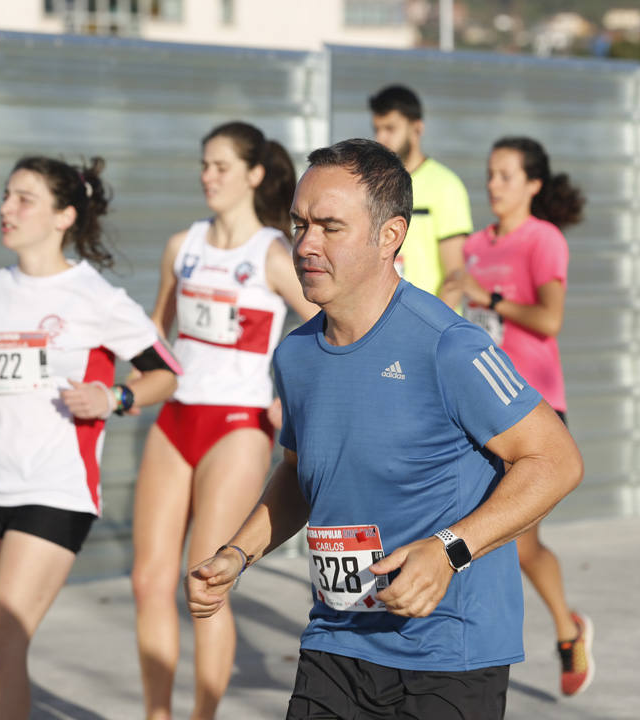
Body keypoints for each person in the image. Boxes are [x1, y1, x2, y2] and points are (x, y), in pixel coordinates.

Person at [184, 138, 584, 719]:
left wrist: (449, 551)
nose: (306, 245)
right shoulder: (295, 356)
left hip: (447, 654)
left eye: (329, 227)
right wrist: (237, 555)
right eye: (299, 224)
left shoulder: (447, 344)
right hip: (335, 639)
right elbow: (300, 475)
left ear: (390, 236)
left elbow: (556, 460)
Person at [0, 156, 180, 720]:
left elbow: (166, 374)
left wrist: (115, 398)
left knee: (1, 649)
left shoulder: (94, 296)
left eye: (23, 198)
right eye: (6, 195)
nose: (6, 208)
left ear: (63, 216)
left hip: (58, 489)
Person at [131, 121, 317, 720]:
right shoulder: (180, 245)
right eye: (204, 165)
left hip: (237, 427)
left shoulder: (270, 252)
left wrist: (290, 397)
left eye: (222, 166)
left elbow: (328, 324)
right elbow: (153, 336)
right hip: (177, 419)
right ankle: (157, 713)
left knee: (204, 582)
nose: (208, 177)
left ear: (254, 174)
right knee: (148, 581)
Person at [442, 135, 593, 696]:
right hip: (478, 411)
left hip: (535, 412)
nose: (493, 185)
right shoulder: (475, 244)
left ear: (533, 183)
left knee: (516, 541)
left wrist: (489, 298)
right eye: (490, 174)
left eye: (506, 175)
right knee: (483, 535)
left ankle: (565, 628)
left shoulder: (543, 240)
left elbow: (549, 321)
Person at [369, 84, 473, 304]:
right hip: (381, 324)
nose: (381, 138)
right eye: (377, 129)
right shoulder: (373, 185)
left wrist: (431, 332)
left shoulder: (446, 186)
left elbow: (455, 275)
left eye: (390, 129)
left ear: (417, 128)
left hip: (430, 328)